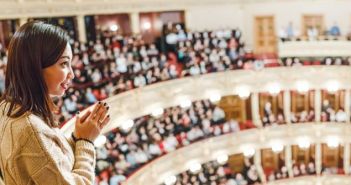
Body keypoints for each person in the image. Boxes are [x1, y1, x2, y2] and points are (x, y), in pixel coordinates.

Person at [0, 21, 111, 184]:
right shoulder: (31, 130)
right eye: (64, 64)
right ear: (35, 66)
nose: (72, 74)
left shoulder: (7, 106)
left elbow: (47, 165)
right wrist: (86, 142)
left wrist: (76, 137)